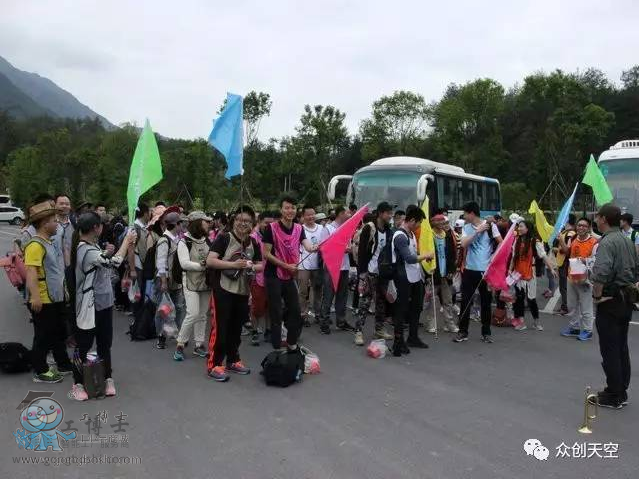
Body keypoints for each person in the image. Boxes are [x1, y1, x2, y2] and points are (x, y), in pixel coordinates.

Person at [68, 213, 136, 401]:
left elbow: (102, 263)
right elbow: (114, 263)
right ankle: (78, 382)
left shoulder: (93, 246)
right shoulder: (85, 249)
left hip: (104, 303)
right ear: (96, 228)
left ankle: (107, 378)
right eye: (101, 225)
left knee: (105, 343)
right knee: (83, 345)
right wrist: (126, 241)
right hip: (88, 306)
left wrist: (107, 251)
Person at [206, 205, 264, 382]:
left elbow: (260, 264)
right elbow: (210, 260)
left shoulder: (253, 242)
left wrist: (251, 266)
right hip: (223, 289)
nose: (242, 223)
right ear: (233, 221)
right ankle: (215, 364)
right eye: (239, 219)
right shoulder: (224, 238)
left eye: (247, 221)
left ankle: (233, 360)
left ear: (252, 223)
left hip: (243, 290)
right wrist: (233, 265)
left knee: (236, 327)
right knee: (221, 327)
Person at [590, 204, 639, 408]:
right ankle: (621, 391)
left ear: (603, 219)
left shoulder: (608, 241)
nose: (595, 219)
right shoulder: (627, 240)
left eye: (597, 216)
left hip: (611, 300)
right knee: (621, 347)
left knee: (610, 349)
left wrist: (597, 296)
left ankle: (613, 395)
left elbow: (601, 272)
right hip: (626, 299)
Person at [24, 200, 74, 384]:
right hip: (44, 299)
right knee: (43, 336)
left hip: (55, 297)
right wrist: (36, 297)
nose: (57, 224)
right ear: (45, 223)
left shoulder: (49, 242)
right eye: (54, 220)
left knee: (58, 333)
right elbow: (31, 272)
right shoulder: (35, 245)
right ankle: (40, 370)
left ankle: (63, 364)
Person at [262, 196, 318, 351]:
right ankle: (276, 347)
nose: (290, 211)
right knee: (276, 312)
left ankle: (291, 343)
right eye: (286, 208)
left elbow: (307, 246)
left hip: (289, 275)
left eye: (293, 208)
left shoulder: (299, 228)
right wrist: (285, 265)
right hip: (273, 275)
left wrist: (315, 247)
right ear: (281, 210)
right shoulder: (271, 228)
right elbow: (266, 253)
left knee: (295, 310)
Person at [454, 201, 502, 344]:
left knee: (485, 302)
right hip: (469, 270)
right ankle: (463, 331)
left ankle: (486, 332)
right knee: (465, 301)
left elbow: (501, 242)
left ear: (472, 213)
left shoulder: (491, 226)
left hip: (485, 271)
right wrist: (477, 231)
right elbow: (463, 244)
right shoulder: (466, 227)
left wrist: (494, 257)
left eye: (465, 213)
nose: (464, 216)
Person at [391, 205, 433, 356]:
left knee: (416, 308)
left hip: (415, 277)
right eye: (419, 222)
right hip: (403, 278)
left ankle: (413, 337)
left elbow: (415, 253)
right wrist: (426, 255)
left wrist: (423, 258)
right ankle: (398, 341)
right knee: (401, 311)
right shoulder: (400, 236)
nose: (419, 226)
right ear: (413, 220)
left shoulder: (411, 234)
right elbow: (409, 258)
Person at [173, 211, 212, 358]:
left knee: (202, 315)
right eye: (205, 221)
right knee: (193, 313)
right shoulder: (184, 241)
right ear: (198, 223)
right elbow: (184, 263)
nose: (208, 224)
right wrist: (202, 266)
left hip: (206, 282)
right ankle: (180, 344)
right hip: (190, 281)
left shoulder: (207, 240)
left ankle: (199, 345)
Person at [355, 202, 395, 346]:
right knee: (365, 303)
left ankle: (379, 329)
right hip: (369, 272)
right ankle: (358, 331)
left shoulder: (388, 230)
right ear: (381, 213)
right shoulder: (369, 228)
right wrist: (362, 274)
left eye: (391, 213)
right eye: (388, 213)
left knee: (381, 302)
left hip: (382, 272)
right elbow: (361, 253)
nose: (390, 216)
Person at [508, 221, 557, 331]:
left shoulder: (535, 241)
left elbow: (544, 256)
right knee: (519, 298)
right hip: (517, 274)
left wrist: (551, 269)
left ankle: (536, 322)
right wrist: (510, 269)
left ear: (527, 228)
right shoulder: (517, 240)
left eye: (521, 226)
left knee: (531, 299)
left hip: (530, 273)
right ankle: (521, 322)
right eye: (518, 226)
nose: (519, 228)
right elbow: (514, 257)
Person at [318, 206, 356, 334]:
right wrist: (341, 249)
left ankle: (341, 321)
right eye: (348, 212)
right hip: (331, 266)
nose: (350, 214)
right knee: (328, 294)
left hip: (344, 266)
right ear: (341, 214)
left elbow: (348, 245)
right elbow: (323, 247)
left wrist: (349, 248)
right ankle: (324, 322)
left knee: (342, 295)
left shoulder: (347, 228)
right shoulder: (328, 229)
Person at [559, 217, 598, 341]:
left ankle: (588, 330)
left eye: (584, 226)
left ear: (589, 228)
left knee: (586, 306)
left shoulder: (594, 242)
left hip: (585, 279)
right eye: (579, 225)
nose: (581, 227)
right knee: (572, 305)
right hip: (571, 277)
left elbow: (596, 260)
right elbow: (567, 252)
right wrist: (561, 240)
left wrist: (584, 260)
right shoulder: (573, 238)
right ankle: (574, 327)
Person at [155, 211, 186, 347]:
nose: (182, 226)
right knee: (164, 309)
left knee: (178, 307)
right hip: (166, 280)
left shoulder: (177, 239)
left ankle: (178, 334)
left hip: (176, 280)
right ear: (176, 224)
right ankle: (161, 336)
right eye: (180, 223)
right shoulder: (164, 240)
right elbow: (161, 263)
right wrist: (163, 282)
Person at [429, 214, 459, 333]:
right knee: (432, 300)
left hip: (446, 273)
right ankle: (431, 324)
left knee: (448, 300)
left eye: (444, 222)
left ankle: (449, 324)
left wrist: (451, 270)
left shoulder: (447, 235)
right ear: (434, 222)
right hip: (434, 272)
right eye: (440, 221)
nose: (443, 224)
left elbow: (452, 254)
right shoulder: (429, 235)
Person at [297, 205, 324, 327]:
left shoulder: (321, 228)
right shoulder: (299, 229)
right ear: (303, 216)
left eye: (312, 214)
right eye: (308, 215)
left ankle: (318, 313)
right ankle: (303, 315)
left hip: (318, 263)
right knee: (303, 291)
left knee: (318, 289)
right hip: (304, 264)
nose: (311, 217)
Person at [249, 211, 273, 345]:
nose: (269, 226)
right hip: (258, 278)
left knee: (270, 306)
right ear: (259, 222)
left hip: (274, 277)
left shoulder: (276, 236)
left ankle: (268, 330)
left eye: (271, 223)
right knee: (257, 307)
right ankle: (254, 331)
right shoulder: (252, 238)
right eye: (266, 223)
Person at [554, 215, 577, 315]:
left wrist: (557, 250)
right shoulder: (566, 232)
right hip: (563, 262)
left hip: (566, 263)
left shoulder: (570, 234)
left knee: (564, 286)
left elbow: (568, 250)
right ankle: (564, 306)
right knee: (563, 285)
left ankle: (565, 307)